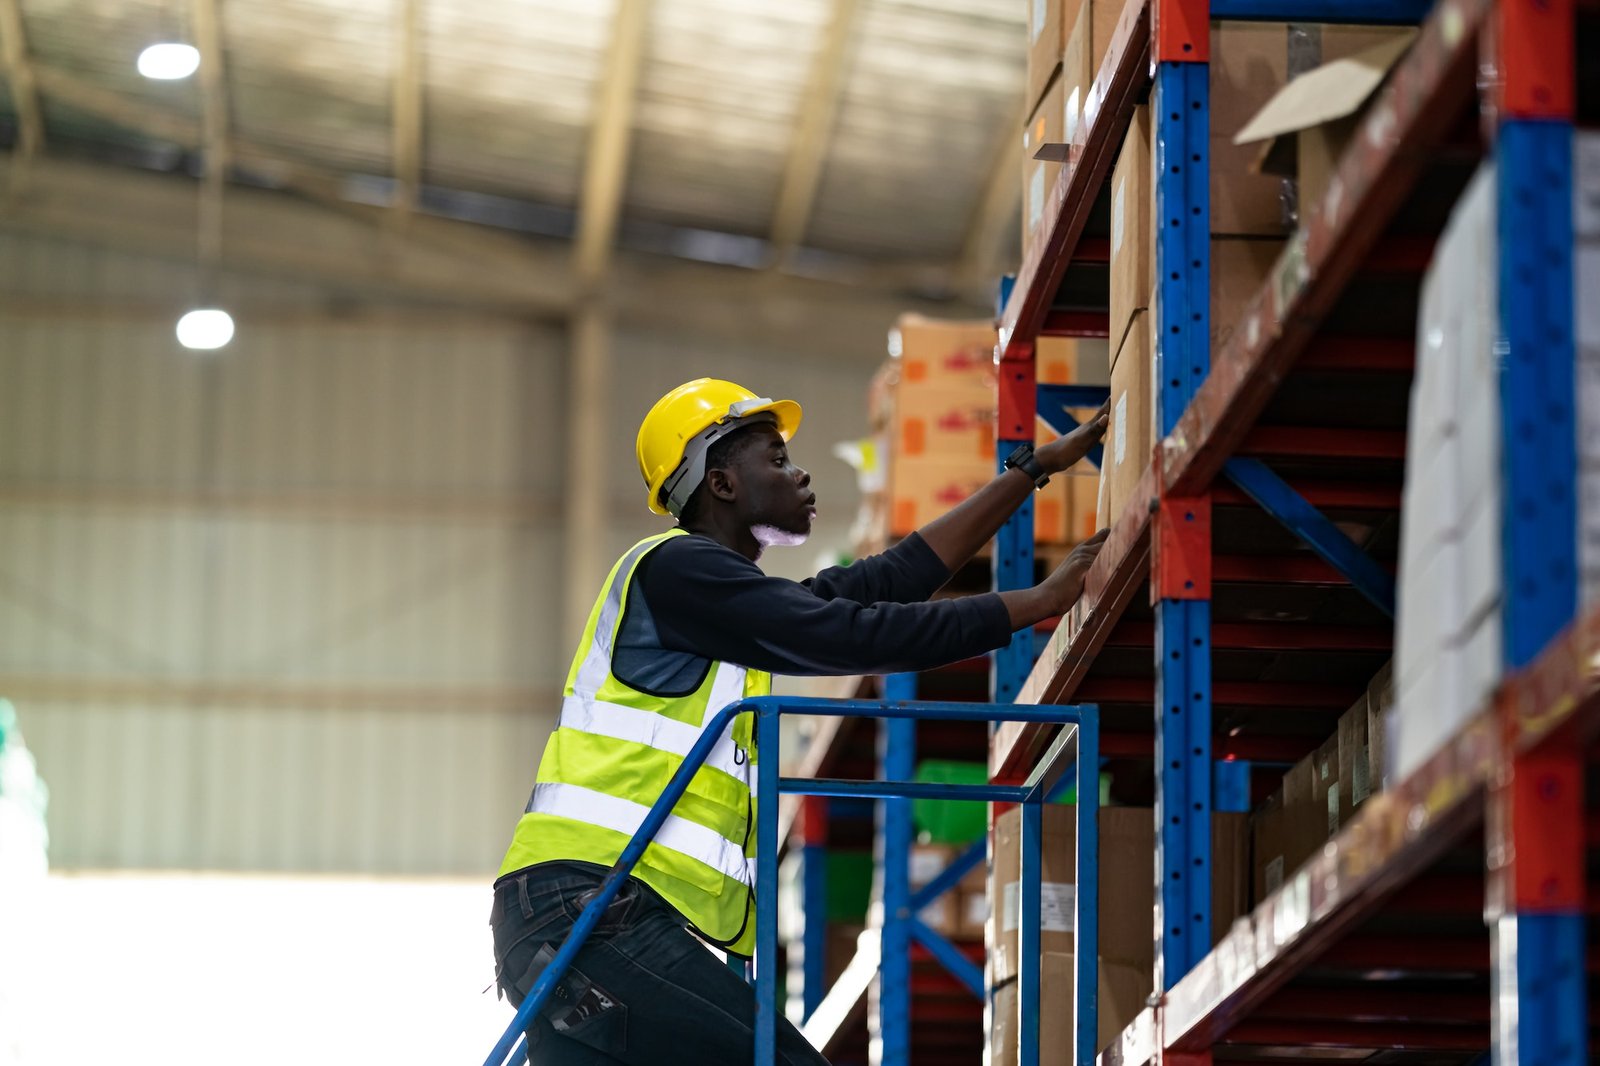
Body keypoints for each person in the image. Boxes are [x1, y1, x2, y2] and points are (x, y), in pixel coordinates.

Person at [490, 377, 1108, 1065]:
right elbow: (848, 631)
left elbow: (884, 581)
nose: (800, 472)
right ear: (721, 484)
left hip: (573, 916)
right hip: (594, 909)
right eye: (777, 459)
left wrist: (1029, 473)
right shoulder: (678, 570)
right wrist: (1037, 602)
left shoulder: (719, 604)